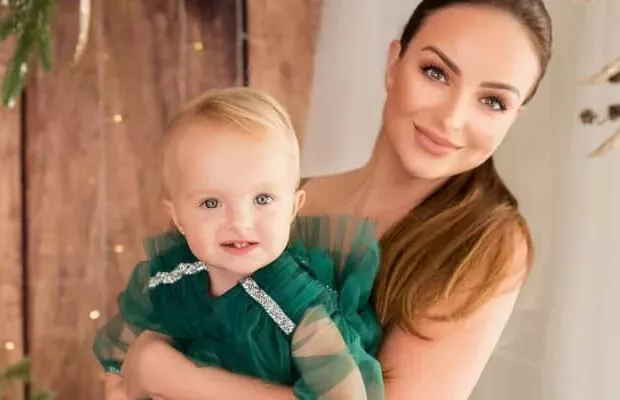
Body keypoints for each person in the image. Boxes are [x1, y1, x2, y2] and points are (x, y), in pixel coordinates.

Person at [105, 0, 553, 398]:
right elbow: (133, 356)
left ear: (515, 116)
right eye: (436, 73)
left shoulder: (486, 243)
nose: (451, 118)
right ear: (394, 63)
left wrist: (171, 375)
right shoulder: (266, 204)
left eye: (492, 101)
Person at [94, 87, 386, 399]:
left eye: (262, 199)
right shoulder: (176, 278)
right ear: (178, 217)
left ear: (293, 207)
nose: (239, 222)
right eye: (211, 203)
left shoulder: (298, 308)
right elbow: (124, 368)